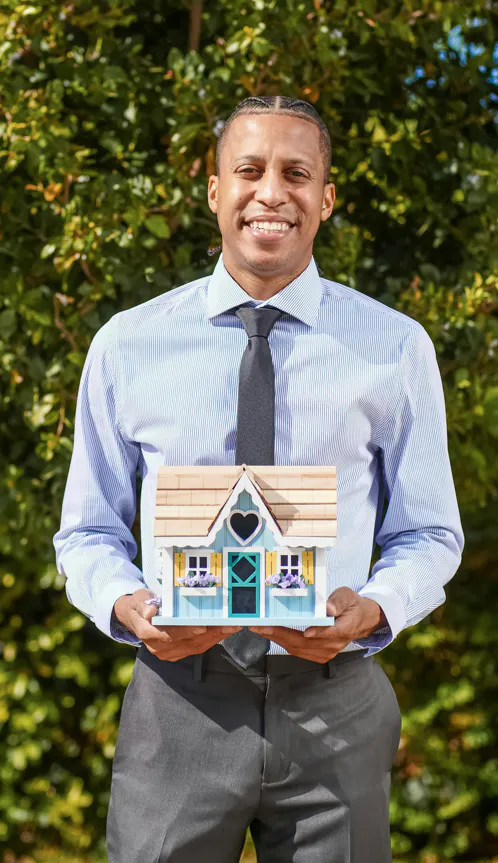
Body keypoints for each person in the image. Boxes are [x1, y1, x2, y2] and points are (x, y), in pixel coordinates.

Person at [53, 95, 464, 862]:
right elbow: (88, 530)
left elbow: (430, 531)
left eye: (296, 173)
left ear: (326, 198)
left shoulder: (394, 349)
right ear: (215, 191)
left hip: (335, 704)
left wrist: (373, 608)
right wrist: (126, 602)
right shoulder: (126, 346)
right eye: (249, 169)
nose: (270, 191)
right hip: (179, 701)